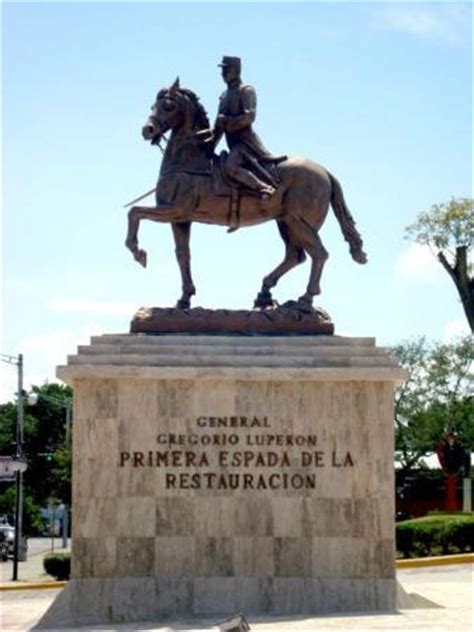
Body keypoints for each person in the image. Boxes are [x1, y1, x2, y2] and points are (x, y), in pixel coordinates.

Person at [211, 56, 278, 200]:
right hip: (233, 146)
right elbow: (218, 127)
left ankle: (264, 188)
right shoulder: (224, 96)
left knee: (230, 167)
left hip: (246, 145)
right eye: (222, 70)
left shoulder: (246, 90)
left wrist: (228, 122)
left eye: (226, 69)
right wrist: (208, 147)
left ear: (236, 70)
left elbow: (249, 117)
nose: (223, 73)